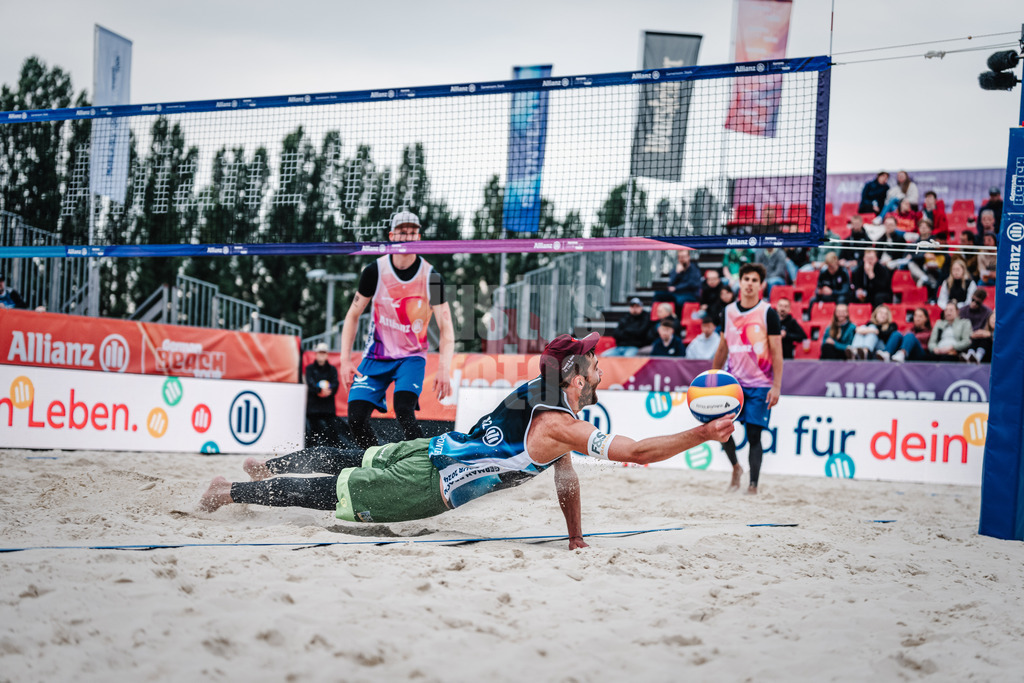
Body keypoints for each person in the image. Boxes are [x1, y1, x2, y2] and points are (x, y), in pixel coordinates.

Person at [199, 333, 735, 549]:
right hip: (434, 484)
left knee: (351, 457)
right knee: (337, 494)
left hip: (438, 447)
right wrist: (703, 433)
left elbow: (565, 474)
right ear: (574, 376)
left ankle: (268, 470)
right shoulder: (560, 427)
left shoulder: (541, 393)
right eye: (594, 363)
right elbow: (637, 453)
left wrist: (575, 536)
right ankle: (232, 493)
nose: (601, 369)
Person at [339, 211, 455, 450]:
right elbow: (352, 315)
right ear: (392, 236)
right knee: (356, 417)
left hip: (411, 357)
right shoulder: (374, 271)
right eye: (402, 232)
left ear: (419, 236)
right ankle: (373, 462)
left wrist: (444, 368)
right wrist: (344, 360)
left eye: (412, 232)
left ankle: (422, 460)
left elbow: (447, 328)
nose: (408, 236)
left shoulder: (431, 277)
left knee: (403, 409)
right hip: (376, 356)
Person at [712, 263, 783, 495]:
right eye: (746, 279)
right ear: (739, 282)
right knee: (722, 429)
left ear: (761, 285)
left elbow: (777, 352)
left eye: (754, 280)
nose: (750, 283)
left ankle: (753, 486)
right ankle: (735, 468)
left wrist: (776, 386)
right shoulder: (728, 312)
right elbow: (722, 347)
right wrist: (712, 378)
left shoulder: (768, 313)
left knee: (754, 435)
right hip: (733, 384)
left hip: (761, 385)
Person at [305, 343, 342, 447]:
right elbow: (310, 383)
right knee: (313, 432)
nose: (322, 355)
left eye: (324, 353)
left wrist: (328, 391)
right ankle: (310, 453)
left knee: (333, 431)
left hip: (327, 406)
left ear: (327, 355)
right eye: (320, 353)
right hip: (314, 407)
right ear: (316, 354)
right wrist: (319, 390)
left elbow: (335, 384)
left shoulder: (332, 369)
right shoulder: (310, 368)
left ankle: (335, 453)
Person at [653, 250, 701, 314]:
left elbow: (692, 284)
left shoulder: (694, 269)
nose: (681, 259)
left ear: (688, 257)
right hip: (676, 294)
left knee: (679, 300)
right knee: (658, 295)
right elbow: (670, 284)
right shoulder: (676, 269)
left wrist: (676, 288)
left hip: (690, 294)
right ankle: (655, 318)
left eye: (683, 257)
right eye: (680, 257)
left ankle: (677, 321)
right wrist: (677, 273)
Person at [959, 290, 993, 363]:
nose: (974, 303)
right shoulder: (962, 310)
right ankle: (970, 355)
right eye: (973, 300)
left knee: (983, 337)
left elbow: (986, 328)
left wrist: (979, 333)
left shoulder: (987, 312)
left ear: (982, 302)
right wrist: (969, 334)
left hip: (981, 337)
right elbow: (959, 327)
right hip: (966, 335)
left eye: (977, 302)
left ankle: (977, 356)